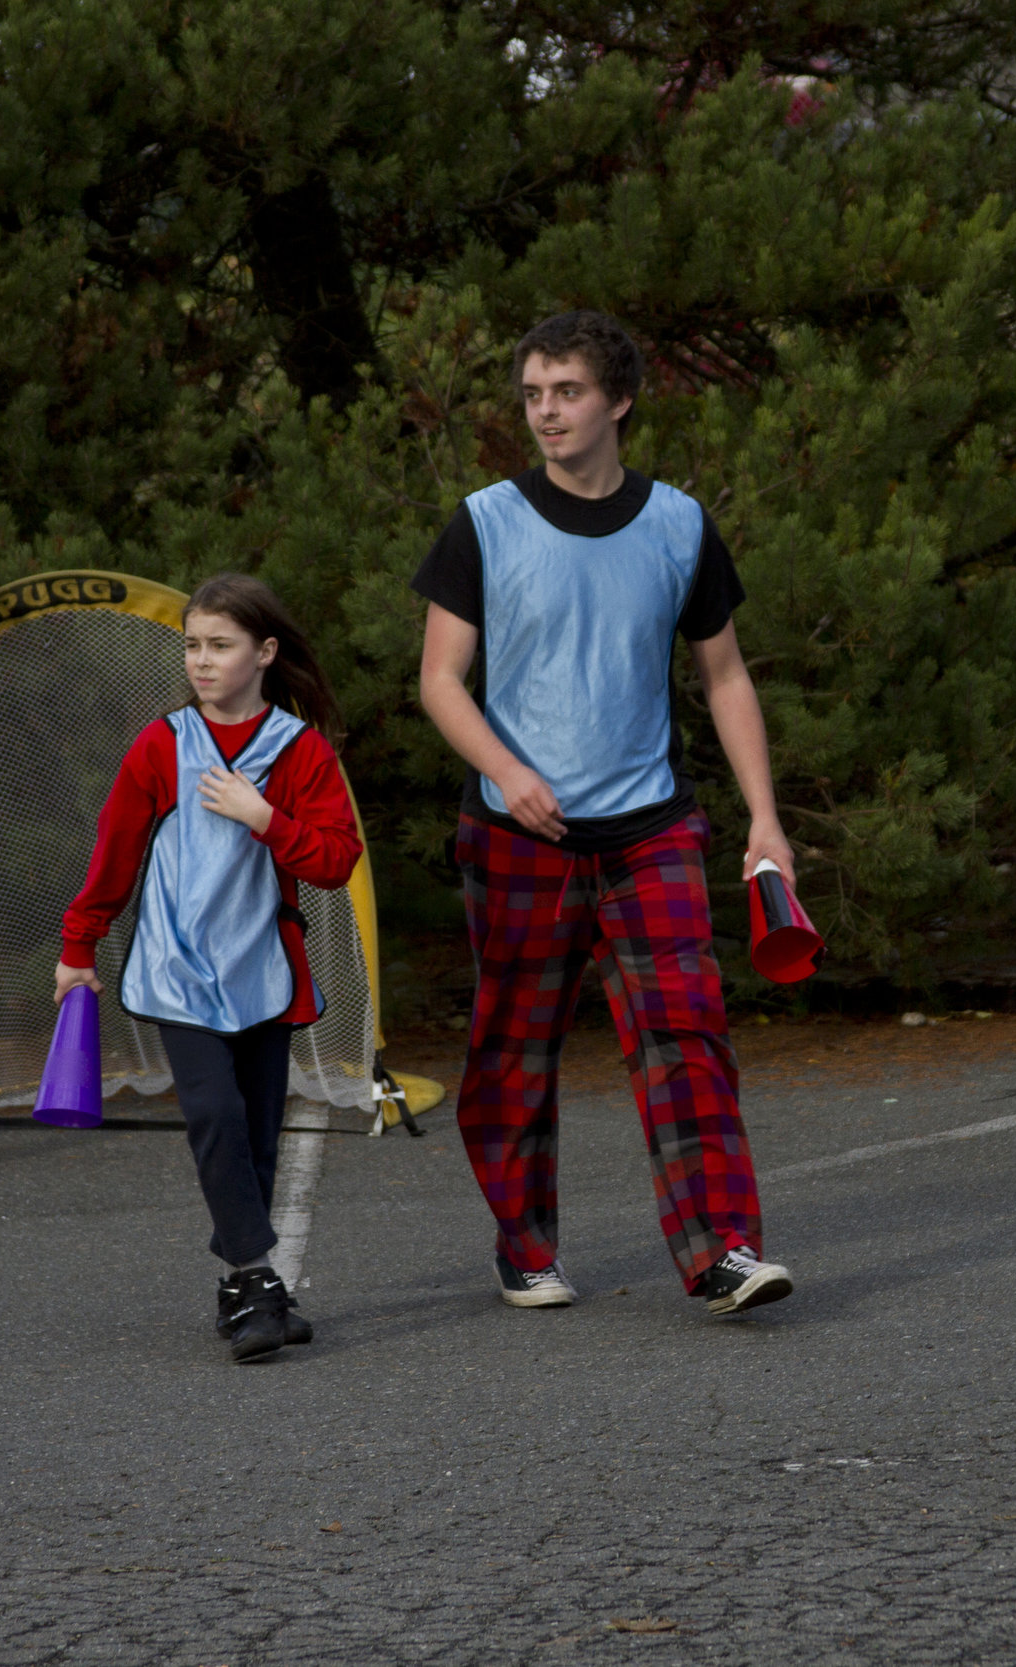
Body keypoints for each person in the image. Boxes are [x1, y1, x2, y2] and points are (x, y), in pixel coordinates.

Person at [412, 309, 796, 1320]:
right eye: (533, 393)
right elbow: (440, 681)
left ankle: (721, 1247)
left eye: (567, 391)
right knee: (510, 1050)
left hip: (649, 827)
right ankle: (524, 1244)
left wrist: (765, 816)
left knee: (687, 1035)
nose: (546, 411)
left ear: (617, 399)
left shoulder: (678, 524)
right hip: (514, 833)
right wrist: (507, 769)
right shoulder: (484, 521)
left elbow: (723, 675)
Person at [57, 574, 363, 1363]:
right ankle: (259, 1279)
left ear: (263, 653)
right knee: (216, 1115)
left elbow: (335, 861)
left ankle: (243, 1291)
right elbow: (115, 851)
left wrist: (267, 819)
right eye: (191, 645)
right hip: (176, 973)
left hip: (261, 973)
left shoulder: (299, 751)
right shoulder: (162, 743)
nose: (200, 660)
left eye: (219, 646)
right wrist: (77, 946)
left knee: (259, 1137)